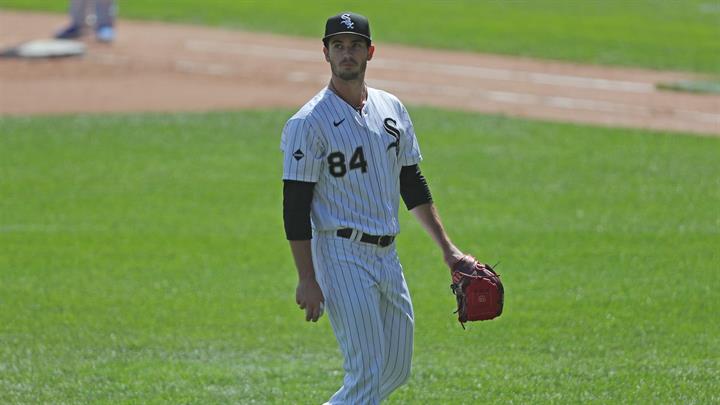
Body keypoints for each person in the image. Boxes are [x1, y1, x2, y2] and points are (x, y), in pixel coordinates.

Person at [281, 12, 476, 404]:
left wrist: (448, 250)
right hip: (341, 254)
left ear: (370, 51)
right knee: (367, 373)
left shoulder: (391, 108)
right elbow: (295, 205)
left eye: (354, 45)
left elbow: (411, 183)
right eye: (338, 46)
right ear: (325, 53)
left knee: (394, 370)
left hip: (388, 256)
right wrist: (307, 277)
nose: (346, 53)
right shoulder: (308, 123)